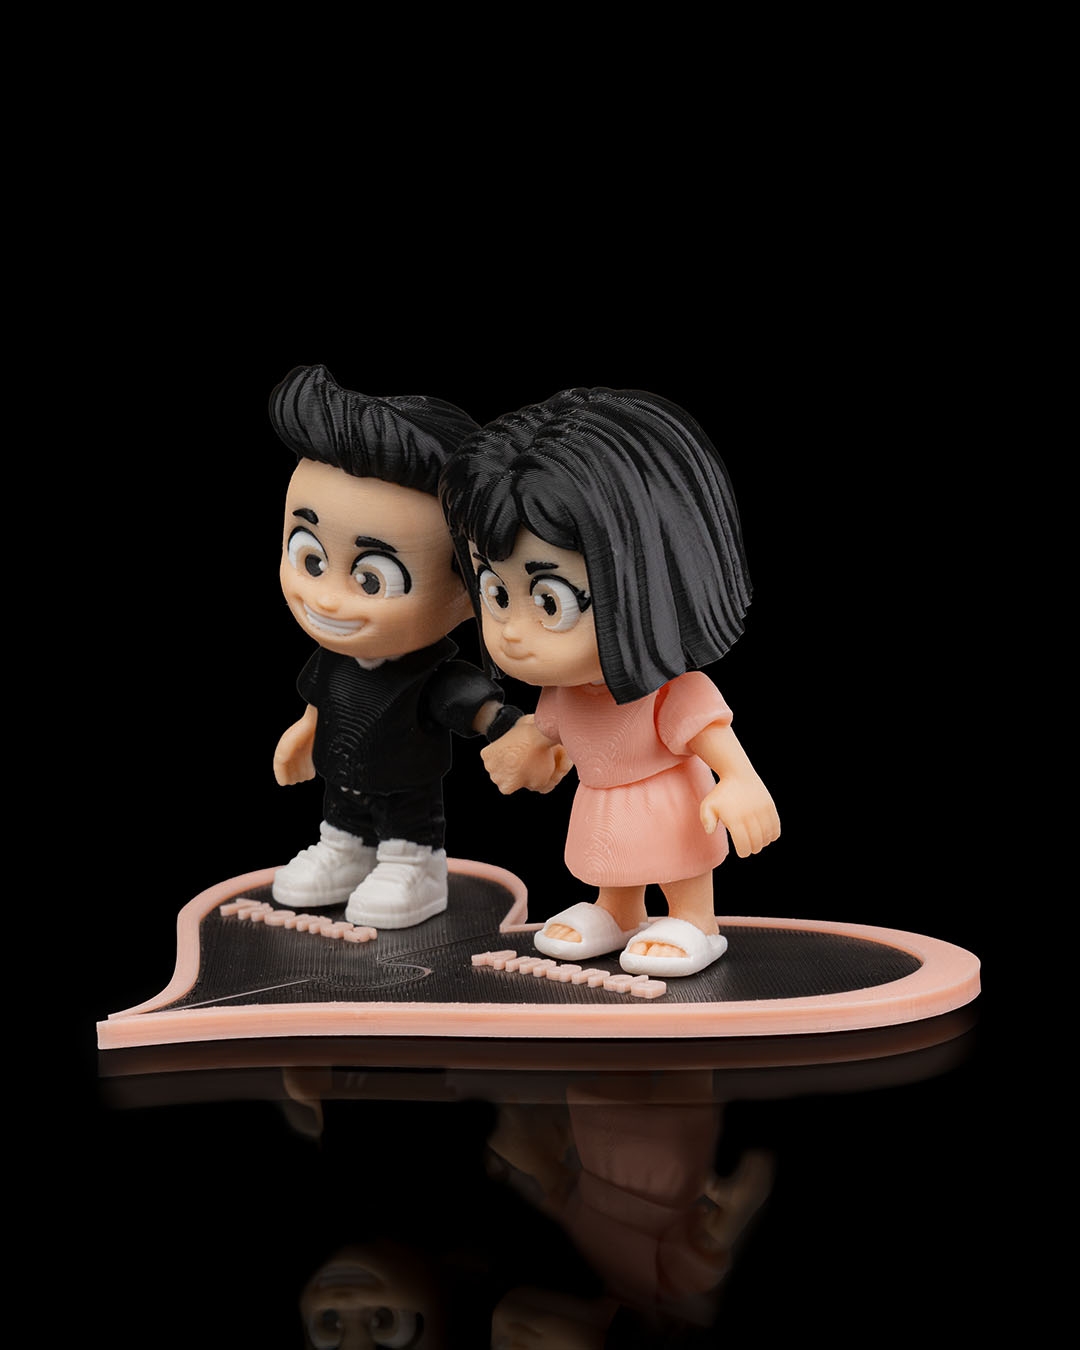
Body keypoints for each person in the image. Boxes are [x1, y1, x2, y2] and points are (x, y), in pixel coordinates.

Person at [440, 387, 780, 976]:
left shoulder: (671, 693)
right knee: (611, 859)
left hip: (671, 803)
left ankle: (696, 920)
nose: (513, 633)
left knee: (677, 859)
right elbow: (546, 729)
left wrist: (741, 782)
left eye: (551, 601)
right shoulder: (563, 693)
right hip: (601, 803)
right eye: (496, 594)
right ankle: (618, 911)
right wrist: (525, 745)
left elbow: (719, 745)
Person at [268, 364, 561, 929]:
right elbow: (319, 702)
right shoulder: (332, 662)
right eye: (310, 559)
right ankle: (344, 851)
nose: (326, 599)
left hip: (407, 789)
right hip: (341, 775)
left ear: (467, 590)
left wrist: (518, 733)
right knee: (342, 814)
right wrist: (304, 732)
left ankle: (415, 866)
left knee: (407, 821)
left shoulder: (432, 675)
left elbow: (479, 710)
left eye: (372, 579)